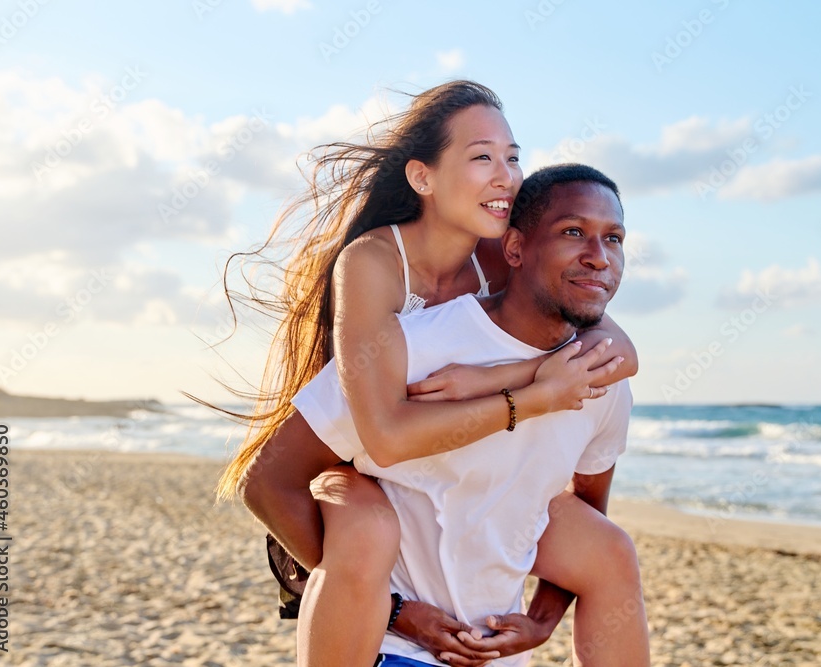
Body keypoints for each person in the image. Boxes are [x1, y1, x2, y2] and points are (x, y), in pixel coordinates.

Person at [213, 81, 642, 665]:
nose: (506, 175)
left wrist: (501, 376)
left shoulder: (497, 252)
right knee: (365, 535)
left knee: (610, 550)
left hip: (453, 455)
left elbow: (616, 351)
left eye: (513, 157)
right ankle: (372, 608)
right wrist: (530, 398)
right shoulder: (374, 262)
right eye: (482, 156)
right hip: (359, 449)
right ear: (423, 177)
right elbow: (385, 437)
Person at [290, 164, 649, 666]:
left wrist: (542, 623)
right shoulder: (416, 349)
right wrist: (394, 609)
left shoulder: (601, 377)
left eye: (614, 239)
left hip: (495, 653)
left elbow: (588, 510)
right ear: (516, 248)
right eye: (573, 232)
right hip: (391, 648)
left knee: (614, 550)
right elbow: (276, 476)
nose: (598, 257)